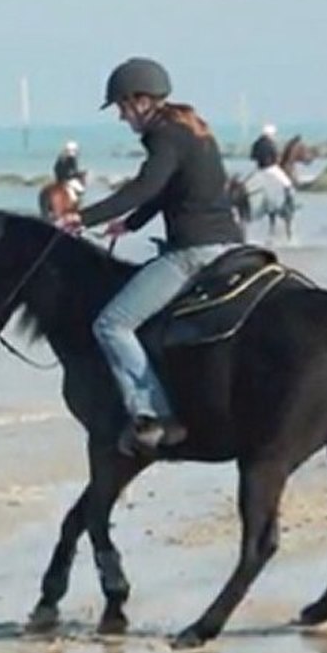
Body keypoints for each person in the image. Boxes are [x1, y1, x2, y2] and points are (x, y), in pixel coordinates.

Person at [56, 57, 243, 455]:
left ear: (141, 101)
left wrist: (81, 216)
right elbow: (169, 190)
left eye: (123, 108)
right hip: (231, 243)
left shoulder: (164, 136)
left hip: (195, 251)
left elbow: (144, 186)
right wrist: (133, 224)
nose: (123, 117)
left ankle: (153, 414)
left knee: (112, 324)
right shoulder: (191, 128)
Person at [53, 140, 87, 204]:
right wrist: (79, 174)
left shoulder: (60, 157)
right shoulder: (72, 159)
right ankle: (76, 205)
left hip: (58, 179)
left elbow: (55, 169)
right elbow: (73, 171)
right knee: (81, 190)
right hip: (67, 179)